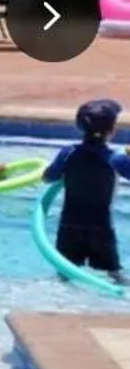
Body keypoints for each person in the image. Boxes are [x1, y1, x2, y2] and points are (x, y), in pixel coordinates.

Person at [43, 99, 130, 284]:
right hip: (101, 229)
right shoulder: (115, 158)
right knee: (115, 276)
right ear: (112, 131)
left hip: (69, 227)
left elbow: (48, 177)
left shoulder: (67, 153)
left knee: (63, 275)